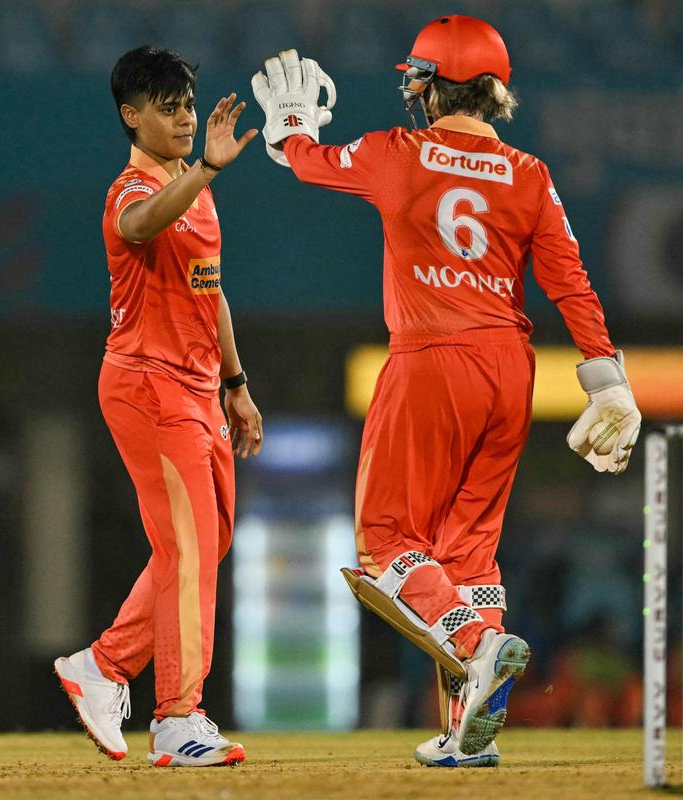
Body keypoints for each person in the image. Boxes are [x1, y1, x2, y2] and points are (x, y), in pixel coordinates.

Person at [250, 16, 641, 766]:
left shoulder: (399, 153)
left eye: (416, 80)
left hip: (431, 359)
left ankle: (479, 644)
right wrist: (607, 380)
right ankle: (467, 731)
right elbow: (571, 282)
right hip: (509, 368)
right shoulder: (530, 175)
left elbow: (306, 162)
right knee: (466, 558)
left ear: (431, 87)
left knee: (388, 542)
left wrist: (291, 130)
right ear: (495, 93)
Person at [54, 45, 262, 768]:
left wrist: (235, 385)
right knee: (187, 548)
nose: (182, 117)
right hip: (147, 385)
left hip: (201, 388)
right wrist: (204, 166)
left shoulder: (190, 185)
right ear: (130, 116)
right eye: (167, 107)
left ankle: (105, 667)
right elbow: (139, 227)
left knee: (209, 542)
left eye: (187, 105)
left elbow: (212, 287)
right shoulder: (131, 189)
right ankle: (177, 716)